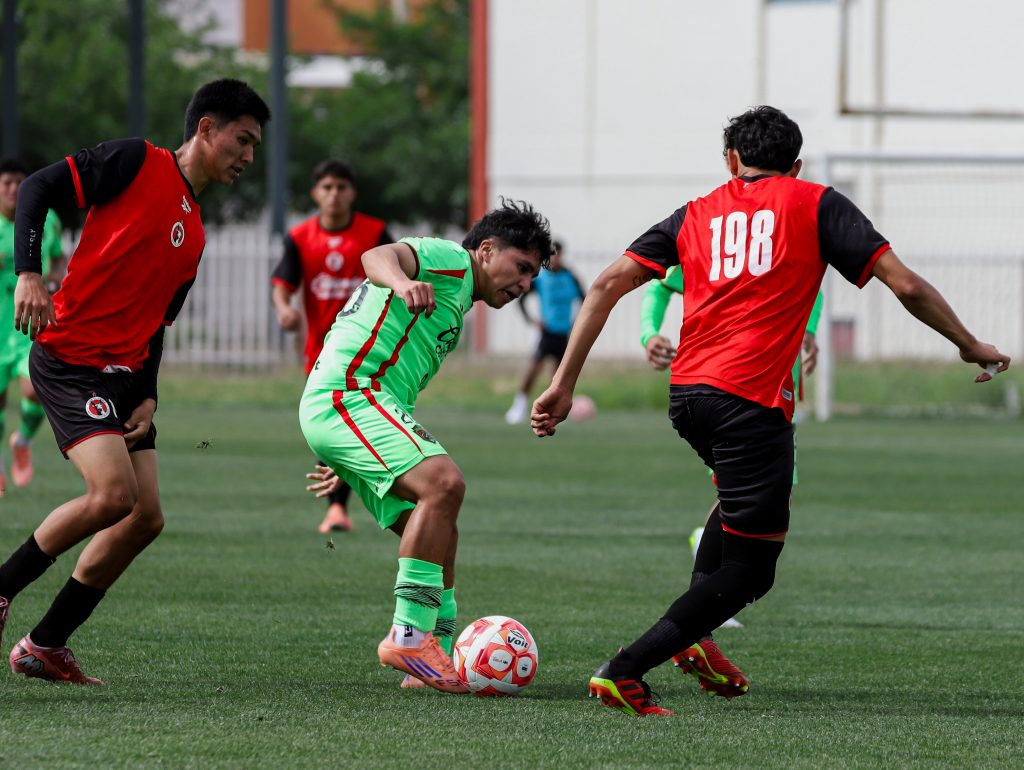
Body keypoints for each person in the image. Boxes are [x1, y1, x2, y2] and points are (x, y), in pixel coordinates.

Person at [531, 106, 1009, 717]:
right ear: (797, 165)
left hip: (689, 396)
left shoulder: (695, 212)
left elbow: (605, 284)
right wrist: (967, 342)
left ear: (732, 161)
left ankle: (693, 638)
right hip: (750, 402)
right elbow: (907, 285)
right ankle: (624, 671)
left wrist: (563, 384)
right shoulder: (817, 204)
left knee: (732, 509)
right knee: (753, 569)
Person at [0, 78, 270, 684]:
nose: (249, 157)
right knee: (112, 496)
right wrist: (29, 274)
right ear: (206, 129)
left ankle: (45, 645)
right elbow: (39, 187)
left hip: (125, 379)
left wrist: (149, 394)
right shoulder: (134, 161)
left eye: (255, 146)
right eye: (243, 140)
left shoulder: (195, 233)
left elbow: (157, 325)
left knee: (144, 517)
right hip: (71, 359)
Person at [300, 199, 551, 692]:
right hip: (348, 395)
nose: (524, 284)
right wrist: (401, 281)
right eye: (521, 267)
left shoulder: (457, 301)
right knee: (445, 484)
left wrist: (348, 454)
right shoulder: (450, 261)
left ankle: (438, 652)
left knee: (441, 529)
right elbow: (376, 256)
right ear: (486, 250)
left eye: (532, 276)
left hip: (355, 410)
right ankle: (409, 637)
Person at [641, 267, 824, 631]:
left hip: (777, 389)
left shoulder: (788, 246)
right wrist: (650, 334)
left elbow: (812, 284)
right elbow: (660, 286)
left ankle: (707, 590)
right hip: (734, 390)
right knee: (750, 496)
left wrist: (809, 329)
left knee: (760, 495)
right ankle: (705, 601)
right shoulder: (722, 246)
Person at [271, 160, 393, 534]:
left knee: (363, 424)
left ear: (352, 193)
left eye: (341, 187)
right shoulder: (300, 237)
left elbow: (397, 272)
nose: (334, 194)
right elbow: (283, 282)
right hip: (322, 352)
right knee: (332, 427)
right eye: (327, 187)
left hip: (370, 349)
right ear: (315, 193)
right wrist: (284, 309)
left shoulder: (375, 233)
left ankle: (344, 505)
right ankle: (340, 505)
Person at [0, 157, 67, 494]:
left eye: (19, 183)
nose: (14, 189)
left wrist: (54, 278)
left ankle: (23, 440)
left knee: (34, 389)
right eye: (7, 183)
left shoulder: (47, 218)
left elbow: (58, 256)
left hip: (29, 323)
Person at [504, 240, 585, 424]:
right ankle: (519, 406)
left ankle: (552, 410)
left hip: (563, 333)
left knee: (559, 377)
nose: (555, 259)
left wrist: (576, 323)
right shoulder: (541, 278)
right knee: (533, 370)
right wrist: (532, 321)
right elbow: (522, 299)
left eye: (558, 254)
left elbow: (585, 300)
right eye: (552, 255)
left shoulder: (570, 277)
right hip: (546, 332)